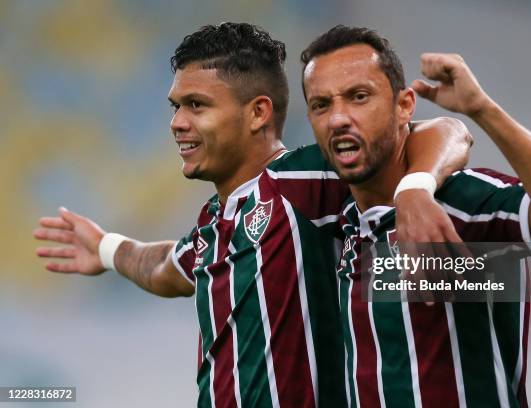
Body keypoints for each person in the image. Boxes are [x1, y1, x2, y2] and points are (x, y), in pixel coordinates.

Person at [33, 23, 472, 407]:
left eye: (197, 105)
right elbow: (167, 268)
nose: (177, 122)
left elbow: (447, 131)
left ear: (258, 112)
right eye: (176, 106)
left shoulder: (304, 179)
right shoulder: (213, 221)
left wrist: (416, 187)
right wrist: (107, 249)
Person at [301, 25, 531, 407]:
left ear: (404, 105)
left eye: (359, 97)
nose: (338, 118)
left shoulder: (460, 203)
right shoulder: (338, 220)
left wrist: (481, 109)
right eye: (321, 105)